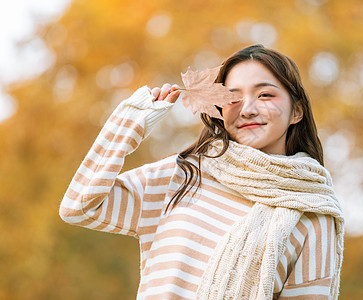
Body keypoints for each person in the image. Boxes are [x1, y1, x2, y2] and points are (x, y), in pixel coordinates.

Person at [59, 44, 344, 300]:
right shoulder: (183, 175)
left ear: (297, 111)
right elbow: (79, 206)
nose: (247, 109)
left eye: (265, 94)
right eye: (232, 98)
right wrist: (130, 123)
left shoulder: (312, 214)